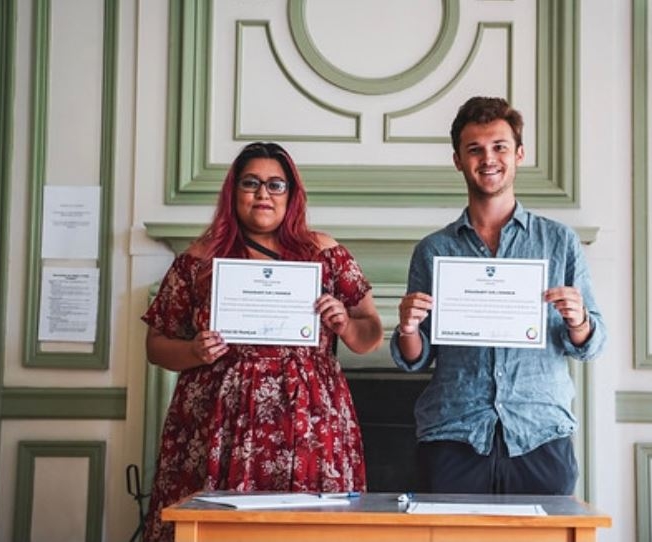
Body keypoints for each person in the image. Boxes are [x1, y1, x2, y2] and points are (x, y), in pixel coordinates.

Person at [142, 142, 384, 541]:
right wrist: (192, 351)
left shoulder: (324, 252)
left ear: (291, 194)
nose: (262, 194)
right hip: (219, 419)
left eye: (275, 185)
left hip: (308, 421)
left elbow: (369, 335)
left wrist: (343, 322)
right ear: (233, 191)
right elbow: (156, 345)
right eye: (251, 183)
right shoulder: (200, 259)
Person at [390, 96, 607, 495]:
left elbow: (592, 345)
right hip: (453, 435)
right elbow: (415, 358)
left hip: (540, 434)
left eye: (499, 147)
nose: (488, 158)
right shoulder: (434, 250)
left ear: (519, 154)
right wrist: (407, 328)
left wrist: (579, 321)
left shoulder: (559, 242)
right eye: (474, 149)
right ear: (458, 160)